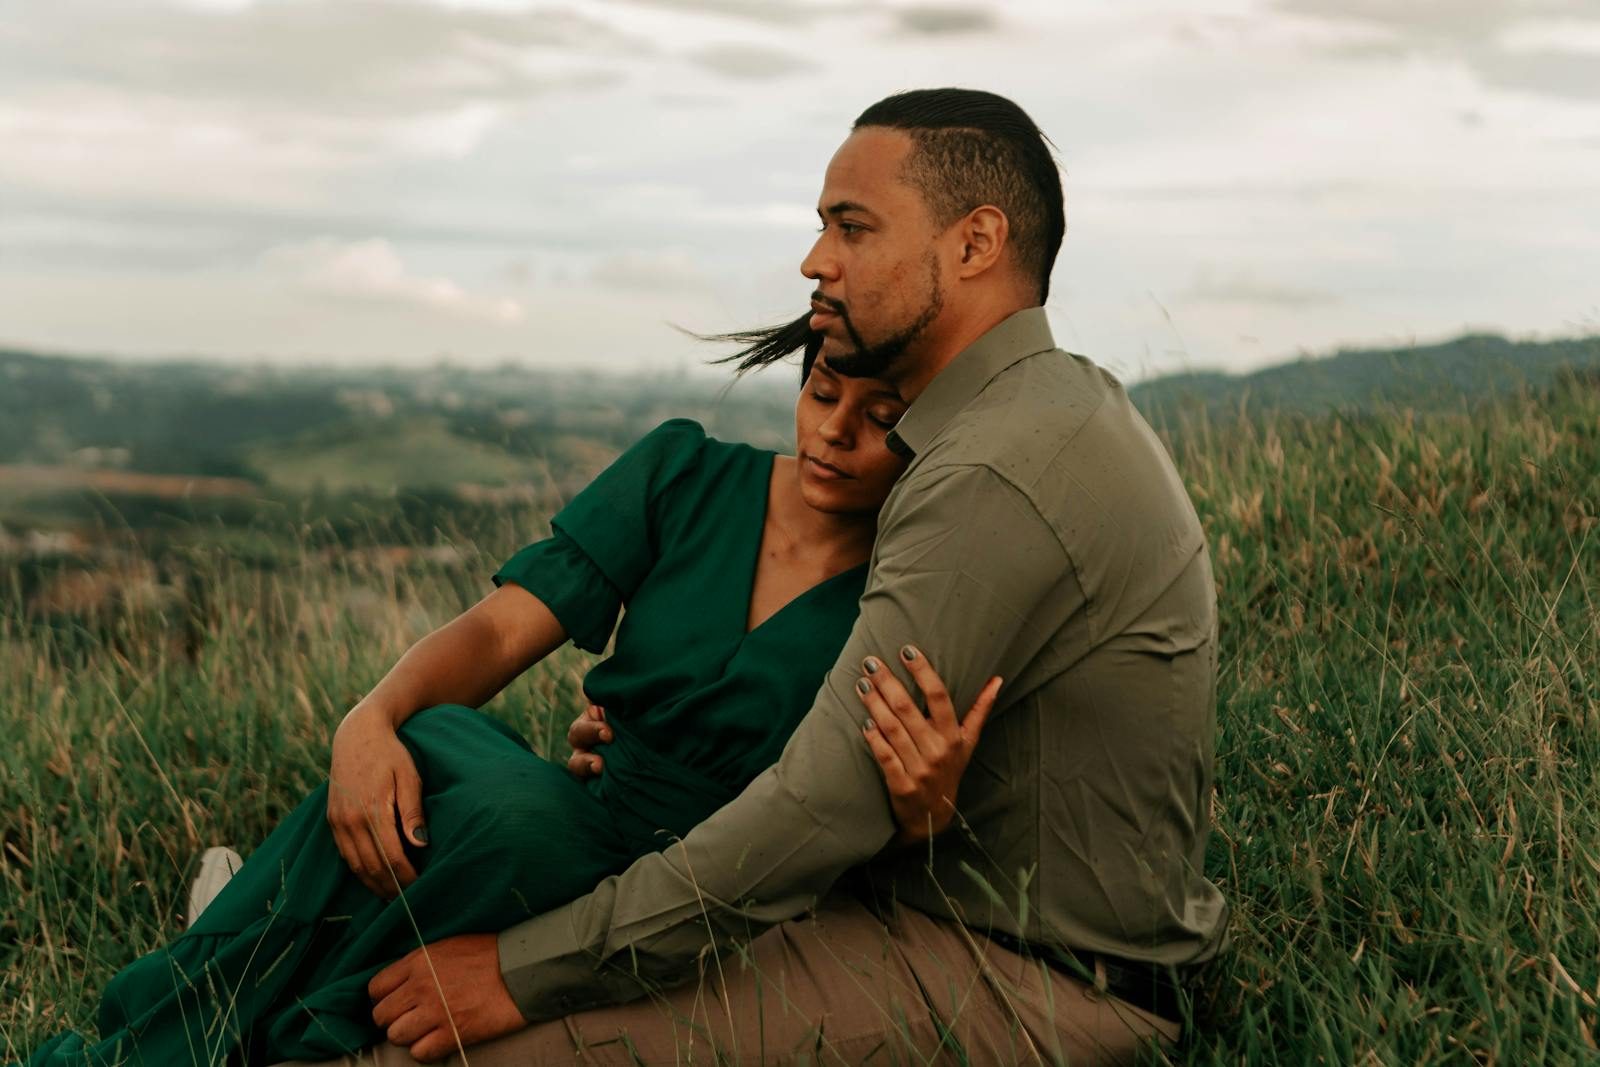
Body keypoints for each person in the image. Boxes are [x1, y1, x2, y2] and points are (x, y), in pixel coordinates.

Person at [318, 87, 1227, 1066]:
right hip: (922, 907)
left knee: (477, 1046)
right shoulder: (1034, 412)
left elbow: (822, 804)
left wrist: (519, 970)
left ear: (974, 243)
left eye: (852, 225)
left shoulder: (987, 469)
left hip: (1023, 972)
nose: (815, 259)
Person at [12, 348, 994, 1065]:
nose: (833, 430)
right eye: (823, 392)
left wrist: (929, 803)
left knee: (514, 828)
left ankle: (229, 983)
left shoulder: (916, 583)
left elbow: (878, 828)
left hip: (700, 888)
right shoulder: (686, 471)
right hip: (581, 808)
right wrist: (368, 714)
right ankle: (219, 976)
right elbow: (496, 633)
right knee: (437, 738)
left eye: (882, 417)